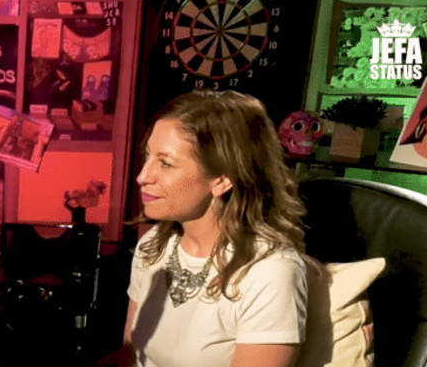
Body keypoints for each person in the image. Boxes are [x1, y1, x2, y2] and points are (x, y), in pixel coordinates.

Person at [122, 90, 310, 367]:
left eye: (165, 163)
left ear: (222, 178)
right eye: (148, 156)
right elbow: (130, 358)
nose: (142, 176)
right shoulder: (153, 245)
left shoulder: (270, 272)